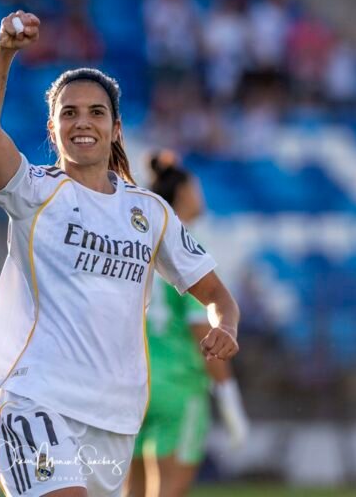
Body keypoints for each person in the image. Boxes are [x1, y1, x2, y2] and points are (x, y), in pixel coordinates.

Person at [0, 10, 241, 496]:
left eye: (96, 112)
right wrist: (4, 52)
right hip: (38, 403)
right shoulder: (34, 191)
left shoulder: (150, 212)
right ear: (53, 132)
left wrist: (226, 326)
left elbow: (216, 292)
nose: (82, 122)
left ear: (116, 129)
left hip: (115, 421)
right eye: (68, 113)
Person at [126, 150, 249, 497]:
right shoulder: (189, 250)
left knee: (130, 491)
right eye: (196, 188)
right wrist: (229, 399)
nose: (201, 195)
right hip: (178, 387)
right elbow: (203, 328)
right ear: (182, 195)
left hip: (132, 383)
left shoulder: (136, 242)